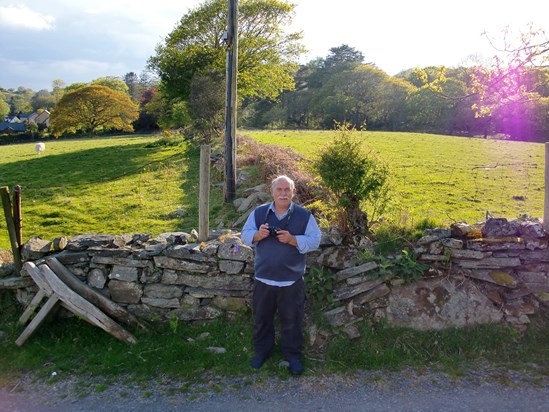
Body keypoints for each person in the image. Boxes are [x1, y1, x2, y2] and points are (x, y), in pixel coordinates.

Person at [241, 175, 321, 375]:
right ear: (272, 191)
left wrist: (293, 239)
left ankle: (293, 355)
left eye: (287, 190)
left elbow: (315, 240)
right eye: (280, 190)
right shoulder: (259, 213)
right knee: (262, 319)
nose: (283, 193)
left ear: (293, 192)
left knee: (292, 320)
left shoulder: (304, 216)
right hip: (264, 278)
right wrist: (258, 235)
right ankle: (261, 352)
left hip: (291, 280)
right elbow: (244, 235)